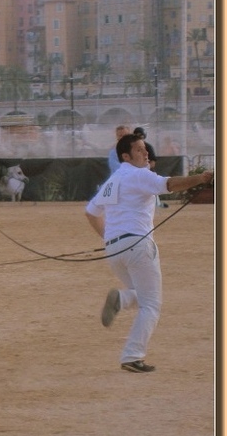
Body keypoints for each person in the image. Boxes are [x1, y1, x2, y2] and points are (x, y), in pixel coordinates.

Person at [85, 133, 213, 373]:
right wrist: (201, 178)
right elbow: (170, 185)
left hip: (114, 250)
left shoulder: (113, 180)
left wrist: (109, 238)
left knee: (141, 295)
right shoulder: (139, 175)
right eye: (140, 150)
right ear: (126, 156)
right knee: (151, 305)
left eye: (145, 149)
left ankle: (122, 299)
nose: (146, 154)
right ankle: (132, 356)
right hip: (138, 246)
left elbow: (91, 212)